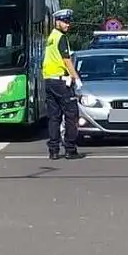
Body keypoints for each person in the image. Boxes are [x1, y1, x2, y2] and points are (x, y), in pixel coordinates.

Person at [42, 9, 84, 160]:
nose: (68, 24)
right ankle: (70, 149)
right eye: (65, 21)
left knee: (54, 117)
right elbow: (66, 60)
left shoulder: (51, 37)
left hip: (49, 80)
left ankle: (53, 150)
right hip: (61, 82)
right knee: (71, 115)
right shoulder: (61, 38)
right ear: (57, 21)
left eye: (68, 21)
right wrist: (76, 78)